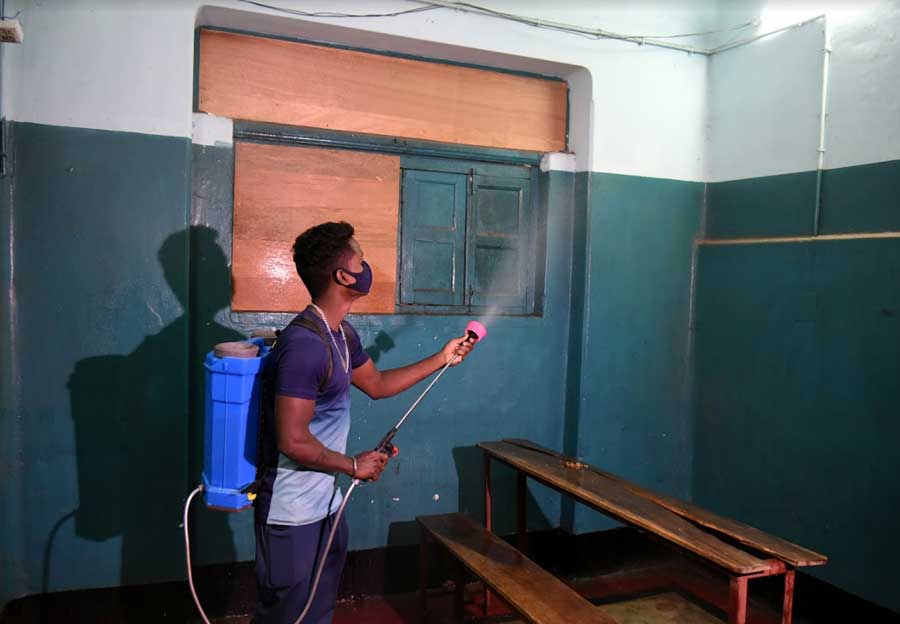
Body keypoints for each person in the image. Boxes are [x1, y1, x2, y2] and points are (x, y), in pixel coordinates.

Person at [253, 221, 474, 624]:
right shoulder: (304, 347)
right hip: (290, 511)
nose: (366, 265)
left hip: (326, 502)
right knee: (287, 615)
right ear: (343, 275)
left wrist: (443, 358)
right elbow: (292, 440)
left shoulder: (341, 334)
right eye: (361, 258)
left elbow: (377, 384)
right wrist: (354, 466)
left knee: (317, 612)